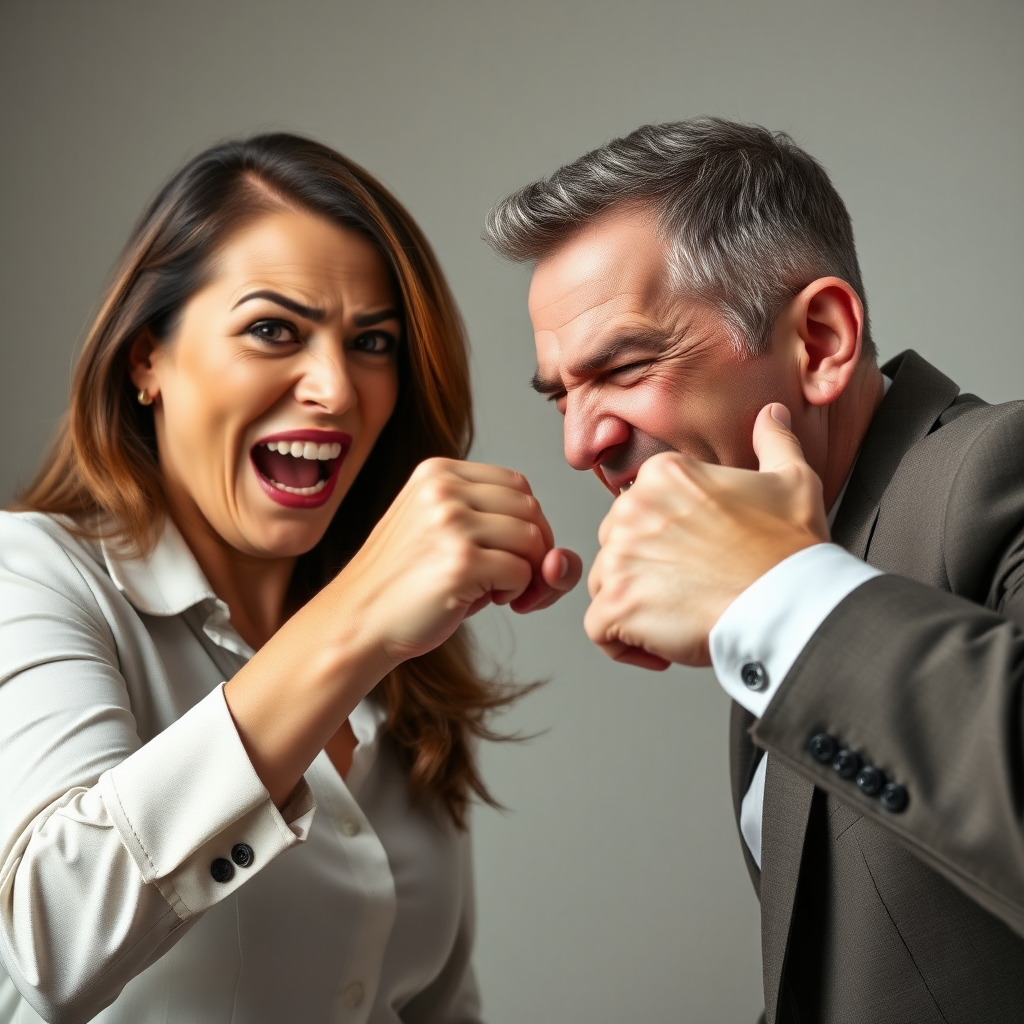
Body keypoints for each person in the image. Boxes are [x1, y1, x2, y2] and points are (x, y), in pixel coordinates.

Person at [0, 133, 581, 1024]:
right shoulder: (31, 571)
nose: (337, 390)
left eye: (373, 342)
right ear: (145, 359)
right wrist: (354, 625)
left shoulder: (409, 664)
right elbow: (46, 944)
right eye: (274, 328)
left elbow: (432, 1005)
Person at [484, 118, 1024, 1022]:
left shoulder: (997, 468)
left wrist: (781, 597)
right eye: (561, 396)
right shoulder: (796, 547)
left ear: (818, 341)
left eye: (622, 366)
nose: (581, 443)